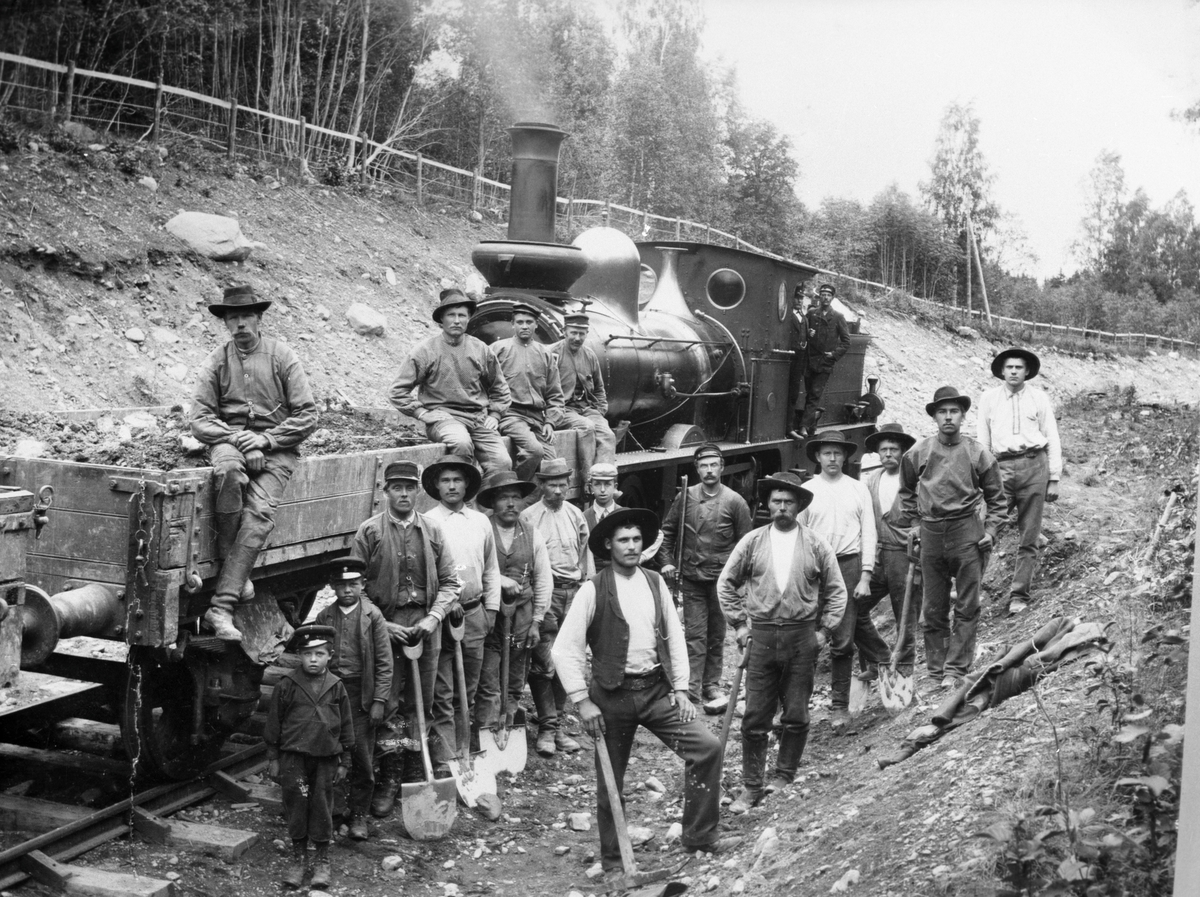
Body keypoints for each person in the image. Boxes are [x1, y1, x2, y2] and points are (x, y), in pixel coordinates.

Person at [553, 508, 735, 866]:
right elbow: (564, 648)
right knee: (610, 779)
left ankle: (700, 836)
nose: (632, 546)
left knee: (707, 748)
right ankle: (614, 860)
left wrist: (680, 688)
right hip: (611, 697)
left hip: (655, 691)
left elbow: (675, 636)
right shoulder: (593, 589)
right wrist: (581, 700)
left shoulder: (654, 582)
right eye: (623, 540)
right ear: (609, 545)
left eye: (637, 539)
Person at [191, 283, 317, 641]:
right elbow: (199, 419)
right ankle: (238, 574)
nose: (241, 324)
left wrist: (266, 439)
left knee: (259, 514)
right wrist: (239, 440)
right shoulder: (217, 360)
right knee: (228, 471)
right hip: (230, 442)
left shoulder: (282, 356)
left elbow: (308, 415)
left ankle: (221, 606)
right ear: (225, 323)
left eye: (247, 316)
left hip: (277, 447)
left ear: (259, 319)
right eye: (233, 318)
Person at [717, 473, 846, 812]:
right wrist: (740, 625)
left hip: (801, 637)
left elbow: (836, 590)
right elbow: (726, 584)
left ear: (799, 506)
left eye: (789, 502)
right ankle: (751, 786)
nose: (783, 507)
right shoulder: (752, 542)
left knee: (797, 712)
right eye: (777, 501)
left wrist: (824, 631)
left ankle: (784, 776)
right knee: (755, 715)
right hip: (760, 636)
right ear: (768, 504)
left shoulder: (816, 544)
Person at [351, 460, 461, 818]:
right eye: (396, 488)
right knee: (387, 701)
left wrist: (434, 617)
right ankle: (389, 777)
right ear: (385, 492)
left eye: (409, 487)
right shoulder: (369, 531)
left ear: (418, 491)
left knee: (421, 700)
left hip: (425, 626)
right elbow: (355, 589)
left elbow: (451, 582)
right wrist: (382, 624)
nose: (403, 494)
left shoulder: (433, 530)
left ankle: (415, 771)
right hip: (386, 626)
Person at [898, 386, 1006, 689]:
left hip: (966, 532)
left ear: (962, 416)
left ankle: (956, 669)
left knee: (967, 605)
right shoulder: (918, 452)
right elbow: (906, 492)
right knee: (933, 607)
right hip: (931, 533)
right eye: (942, 412)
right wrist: (915, 524)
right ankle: (936, 670)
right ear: (934, 417)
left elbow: (997, 499)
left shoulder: (977, 452)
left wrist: (991, 531)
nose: (948, 417)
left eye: (954, 411)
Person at [799, 431, 888, 730]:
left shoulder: (858, 489)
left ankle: (839, 707)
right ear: (818, 457)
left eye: (838, 453)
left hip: (848, 565)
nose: (833, 459)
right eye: (827, 453)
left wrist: (865, 575)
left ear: (845, 457)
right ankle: (799, 707)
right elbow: (799, 536)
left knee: (843, 640)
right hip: (814, 569)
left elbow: (869, 533)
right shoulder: (807, 490)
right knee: (807, 638)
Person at [656, 443, 753, 712]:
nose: (709, 470)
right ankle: (692, 688)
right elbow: (667, 532)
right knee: (695, 635)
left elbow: (746, 545)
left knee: (717, 635)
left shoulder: (735, 501)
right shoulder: (685, 497)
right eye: (703, 466)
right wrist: (666, 562)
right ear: (697, 469)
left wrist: (737, 579)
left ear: (722, 468)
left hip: (722, 582)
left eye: (713, 465)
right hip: (691, 577)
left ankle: (711, 684)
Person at [422, 455, 499, 773]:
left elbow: (491, 568)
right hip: (442, 617)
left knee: (468, 689)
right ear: (437, 486)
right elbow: (425, 574)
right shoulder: (428, 522)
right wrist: (443, 604)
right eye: (445, 480)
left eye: (457, 480)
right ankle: (446, 759)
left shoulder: (480, 521)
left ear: (467, 485)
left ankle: (468, 754)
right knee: (443, 691)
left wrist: (490, 609)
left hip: (474, 612)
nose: (452, 486)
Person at [264, 624, 354, 891]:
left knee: (322, 805)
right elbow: (274, 724)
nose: (313, 660)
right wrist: (273, 758)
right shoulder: (287, 685)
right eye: (307, 654)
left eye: (319, 654)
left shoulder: (337, 687)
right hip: (295, 759)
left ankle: (322, 860)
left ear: (330, 656)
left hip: (325, 759)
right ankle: (299, 859)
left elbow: (347, 727)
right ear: (299, 655)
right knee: (296, 804)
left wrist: (345, 761)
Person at [388, 288, 513, 474]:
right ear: (441, 319)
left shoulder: (481, 349)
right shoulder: (425, 351)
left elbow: (500, 388)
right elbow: (397, 391)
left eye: (462, 315)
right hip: (444, 418)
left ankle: (482, 492)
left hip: (478, 419)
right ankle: (462, 490)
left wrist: (495, 415)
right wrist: (421, 413)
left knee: (502, 462)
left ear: (468, 319)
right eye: (451, 315)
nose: (456, 320)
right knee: (461, 444)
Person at [976, 348, 1062, 615]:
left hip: (1034, 466)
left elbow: (1052, 436)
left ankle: (1019, 595)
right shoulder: (988, 399)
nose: (1014, 371)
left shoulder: (1039, 398)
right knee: (984, 529)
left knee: (1029, 535)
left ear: (1027, 372)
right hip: (1000, 468)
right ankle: (970, 588)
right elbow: (983, 441)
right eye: (1009, 367)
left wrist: (1054, 477)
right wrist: (982, 477)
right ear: (1002, 371)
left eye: (1019, 367)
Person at [313, 558, 392, 842]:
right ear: (333, 586)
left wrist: (379, 700)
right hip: (332, 695)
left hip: (361, 695)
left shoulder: (373, 616)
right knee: (331, 752)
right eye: (342, 585)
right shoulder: (324, 617)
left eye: (353, 584)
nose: (348, 590)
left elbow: (384, 662)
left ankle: (359, 814)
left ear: (362, 585)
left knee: (361, 756)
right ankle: (334, 813)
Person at [474, 471, 552, 744]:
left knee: (516, 677)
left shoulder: (532, 534)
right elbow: (470, 570)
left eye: (516, 498)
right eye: (504, 498)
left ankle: (508, 728)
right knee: (488, 680)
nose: (510, 504)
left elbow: (543, 580)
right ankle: (487, 734)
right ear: (493, 502)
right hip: (488, 616)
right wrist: (498, 579)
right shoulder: (480, 529)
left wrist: (537, 621)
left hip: (522, 616)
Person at [520, 457, 587, 756]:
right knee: (544, 663)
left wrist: (584, 586)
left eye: (563, 484)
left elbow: (584, 553)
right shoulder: (529, 517)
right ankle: (547, 729)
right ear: (541, 485)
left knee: (566, 659)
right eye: (552, 485)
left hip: (573, 594)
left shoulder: (575, 514)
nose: (558, 490)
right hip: (545, 595)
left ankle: (556, 725)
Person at [861, 423, 920, 676]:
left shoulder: (914, 479)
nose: (887, 454)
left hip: (904, 555)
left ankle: (904, 672)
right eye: (883, 449)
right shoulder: (872, 480)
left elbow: (926, 515)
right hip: (877, 555)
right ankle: (879, 658)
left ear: (903, 451)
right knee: (854, 609)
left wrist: (918, 534)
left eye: (893, 449)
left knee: (905, 616)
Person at [493, 302, 566, 481]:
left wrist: (550, 422)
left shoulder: (545, 353)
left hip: (537, 419)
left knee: (553, 467)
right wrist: (492, 414)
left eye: (529, 322)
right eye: (520, 322)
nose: (524, 326)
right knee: (534, 451)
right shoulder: (498, 349)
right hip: (510, 416)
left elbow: (555, 394)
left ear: (536, 325)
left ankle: (529, 495)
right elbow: (484, 385)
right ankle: (513, 489)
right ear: (513, 324)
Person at [555, 312, 617, 475]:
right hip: (562, 410)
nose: (577, 338)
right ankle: (588, 479)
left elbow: (599, 388)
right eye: (573, 333)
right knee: (586, 427)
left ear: (587, 334)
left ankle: (603, 479)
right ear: (564, 331)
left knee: (608, 435)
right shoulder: (552, 354)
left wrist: (600, 410)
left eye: (581, 334)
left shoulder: (590, 355)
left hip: (586, 409)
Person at [583, 462, 662, 575]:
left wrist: (641, 557)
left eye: (607, 484)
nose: (603, 490)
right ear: (591, 487)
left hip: (623, 574)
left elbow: (658, 534)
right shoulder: (583, 517)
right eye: (597, 484)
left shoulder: (626, 514)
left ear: (615, 487)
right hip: (596, 576)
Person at [796, 283, 851, 437]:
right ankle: (811, 426)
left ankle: (803, 426)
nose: (825, 298)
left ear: (832, 298)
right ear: (819, 296)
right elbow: (802, 333)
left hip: (825, 363)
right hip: (810, 360)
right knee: (809, 394)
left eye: (828, 295)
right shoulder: (812, 313)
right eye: (823, 294)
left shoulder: (838, 317)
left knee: (814, 394)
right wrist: (808, 333)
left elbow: (846, 342)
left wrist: (833, 354)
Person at [786, 285, 811, 441]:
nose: (799, 301)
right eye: (797, 297)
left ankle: (791, 426)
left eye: (801, 298)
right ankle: (788, 428)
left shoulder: (804, 317)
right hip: (790, 358)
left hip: (800, 359)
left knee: (795, 394)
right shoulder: (787, 316)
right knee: (789, 393)